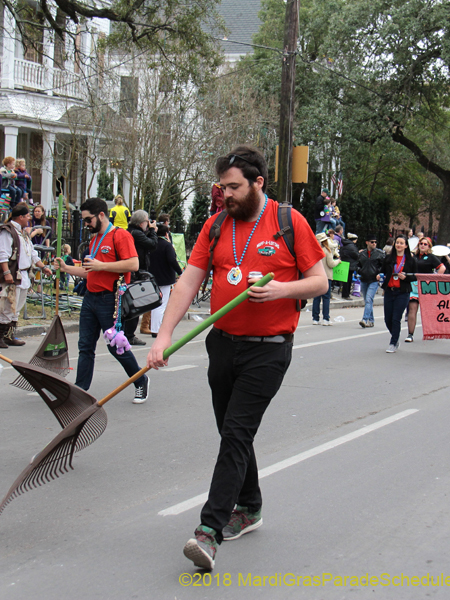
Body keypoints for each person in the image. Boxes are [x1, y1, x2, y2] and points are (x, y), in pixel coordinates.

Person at [147, 146, 326, 571]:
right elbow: (189, 281)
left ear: (258, 183)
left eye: (233, 187)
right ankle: (250, 506)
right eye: (221, 186)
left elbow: (318, 282)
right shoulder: (215, 226)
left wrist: (281, 290)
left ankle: (208, 533)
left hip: (268, 350)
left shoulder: (289, 222)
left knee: (235, 434)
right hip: (222, 343)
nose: (224, 194)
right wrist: (163, 336)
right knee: (231, 432)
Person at [54, 197, 149, 401]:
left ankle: (140, 380)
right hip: (90, 299)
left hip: (110, 300)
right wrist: (66, 268)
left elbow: (133, 264)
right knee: (85, 346)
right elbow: (91, 272)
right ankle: (80, 390)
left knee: (116, 347)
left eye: (88, 220)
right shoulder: (95, 238)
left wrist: (101, 266)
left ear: (101, 215)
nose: (86, 224)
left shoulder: (120, 235)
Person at [0, 203, 53, 348]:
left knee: (17, 307)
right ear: (20, 217)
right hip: (13, 274)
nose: (29, 218)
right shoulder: (7, 231)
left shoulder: (23, 232)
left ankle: (9, 335)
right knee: (8, 305)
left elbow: (32, 253)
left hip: (24, 275)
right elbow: (2, 255)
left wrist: (43, 267)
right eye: (27, 215)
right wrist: (7, 273)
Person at [377, 234, 417, 353]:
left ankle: (393, 342)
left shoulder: (410, 260)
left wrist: (406, 277)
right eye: (397, 243)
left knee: (396, 318)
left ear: (405, 246)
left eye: (401, 243)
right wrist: (379, 275)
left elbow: (415, 276)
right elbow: (382, 271)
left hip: (402, 292)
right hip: (389, 291)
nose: (399, 245)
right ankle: (395, 335)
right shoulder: (389, 258)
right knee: (387, 319)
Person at [125, 210, 158, 345]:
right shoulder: (136, 234)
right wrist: (153, 230)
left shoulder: (131, 232)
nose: (148, 224)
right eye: (146, 221)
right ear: (141, 223)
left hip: (133, 271)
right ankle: (129, 335)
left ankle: (127, 333)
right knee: (136, 303)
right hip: (136, 272)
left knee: (131, 303)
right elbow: (153, 244)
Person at [406, 236, 444, 342]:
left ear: (429, 246)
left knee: (428, 311)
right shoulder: (413, 256)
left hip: (426, 287)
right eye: (421, 243)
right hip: (414, 285)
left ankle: (430, 332)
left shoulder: (431, 257)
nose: (423, 245)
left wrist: (433, 279)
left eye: (425, 244)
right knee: (412, 309)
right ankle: (410, 334)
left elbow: (442, 268)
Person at [146, 223, 182, 336]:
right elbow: (172, 260)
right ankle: (156, 329)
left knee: (154, 303)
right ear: (166, 233)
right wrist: (180, 272)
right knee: (161, 304)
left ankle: (154, 326)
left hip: (152, 276)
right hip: (165, 278)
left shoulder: (151, 244)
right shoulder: (167, 245)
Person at [312, 232, 341, 325]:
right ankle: (326, 318)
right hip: (327, 276)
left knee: (316, 298)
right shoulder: (327, 251)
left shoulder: (315, 251)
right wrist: (338, 261)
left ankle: (315, 318)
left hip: (316, 276)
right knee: (326, 298)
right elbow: (331, 264)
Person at [356, 235, 385, 328]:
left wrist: (379, 273)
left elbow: (384, 266)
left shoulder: (379, 254)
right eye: (372, 242)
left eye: (375, 242)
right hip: (364, 279)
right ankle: (371, 320)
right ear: (367, 242)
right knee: (367, 300)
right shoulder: (362, 254)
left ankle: (365, 319)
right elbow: (357, 265)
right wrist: (360, 271)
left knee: (369, 299)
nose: (374, 244)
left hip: (374, 280)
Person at [339, 233, 359, 299]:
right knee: (348, 280)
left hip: (345, 264)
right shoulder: (352, 246)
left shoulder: (345, 245)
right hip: (351, 265)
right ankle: (346, 295)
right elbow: (356, 255)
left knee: (345, 280)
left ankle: (344, 293)